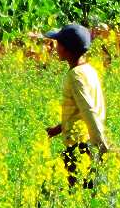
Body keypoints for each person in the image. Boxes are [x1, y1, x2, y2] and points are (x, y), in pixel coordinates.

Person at [44, 23, 110, 187]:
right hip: (85, 141)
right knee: (85, 192)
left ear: (66, 49)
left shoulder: (75, 76)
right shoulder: (89, 70)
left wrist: (102, 146)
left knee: (52, 194)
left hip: (80, 148)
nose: (55, 47)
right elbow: (82, 110)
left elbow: (88, 110)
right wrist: (59, 128)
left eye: (58, 44)